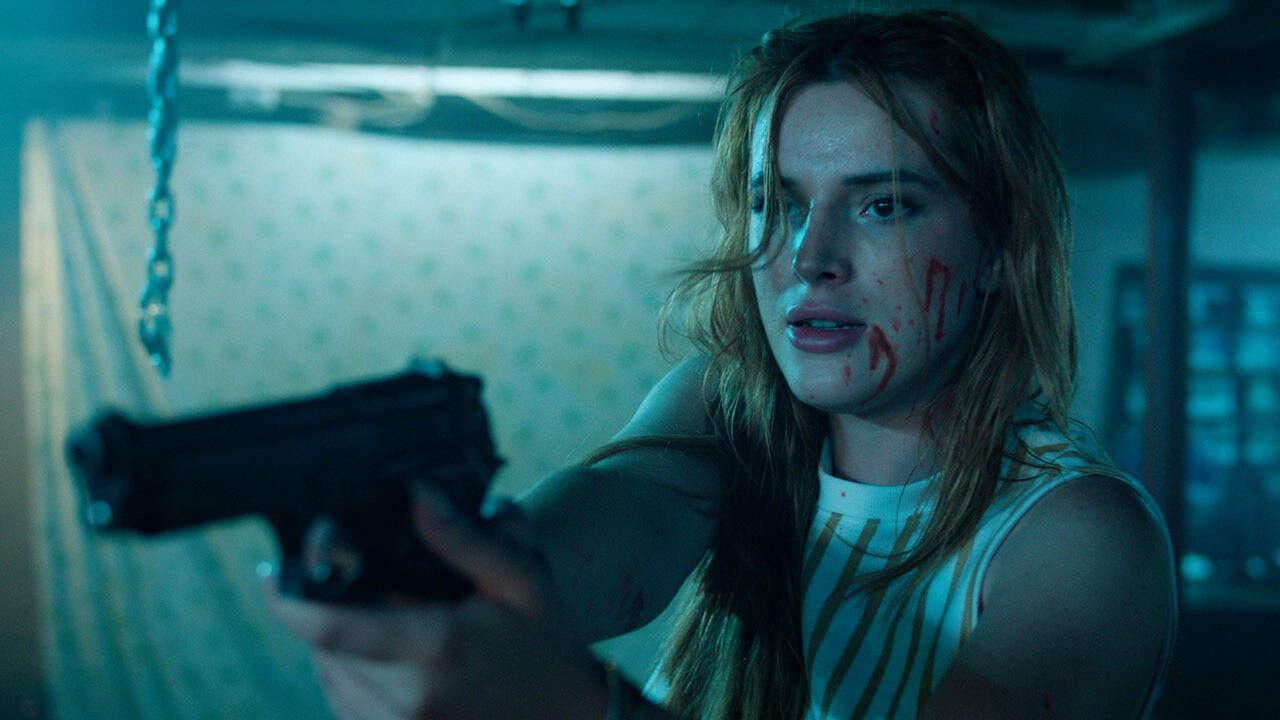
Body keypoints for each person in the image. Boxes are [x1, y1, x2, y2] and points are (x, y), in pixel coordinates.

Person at [266, 9, 1177, 719]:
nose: (809, 257)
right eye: (777, 203)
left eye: (884, 206)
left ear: (997, 250)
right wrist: (446, 571)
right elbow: (598, 534)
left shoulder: (1081, 538)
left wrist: (574, 705)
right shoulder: (726, 405)